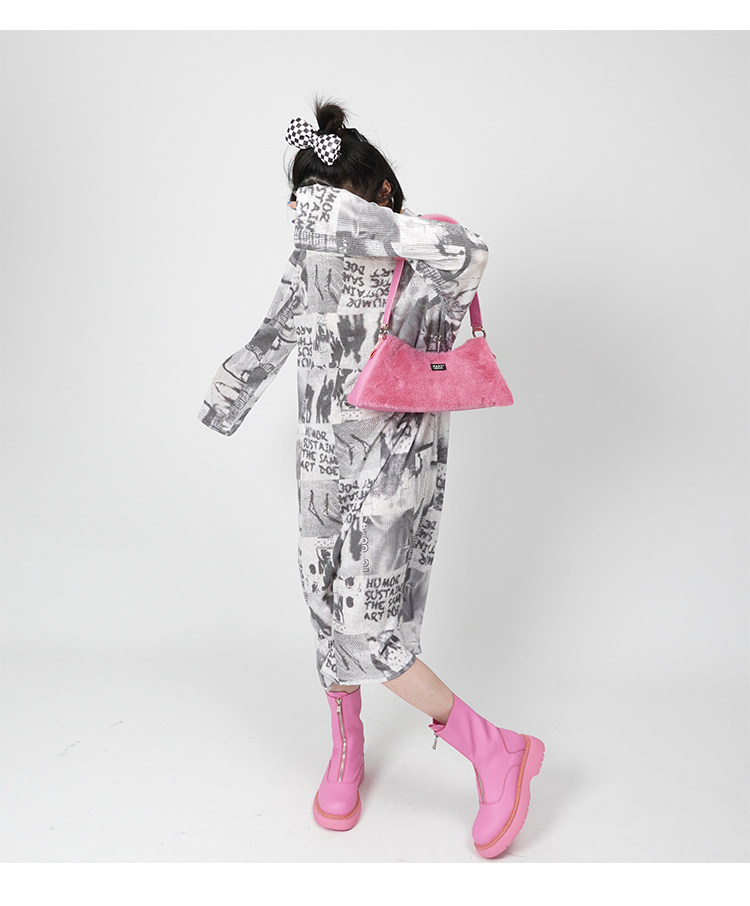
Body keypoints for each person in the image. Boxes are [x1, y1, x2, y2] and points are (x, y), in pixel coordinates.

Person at [197, 97, 544, 858]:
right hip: (322, 458)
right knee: (326, 609)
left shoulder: (427, 254)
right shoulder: (310, 261)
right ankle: (346, 746)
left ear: (380, 194)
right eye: (307, 203)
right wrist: (224, 398)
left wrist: (356, 220)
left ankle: (496, 749)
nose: (317, 218)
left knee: (371, 629)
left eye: (332, 201)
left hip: (397, 461)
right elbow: (275, 330)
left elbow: (474, 251)